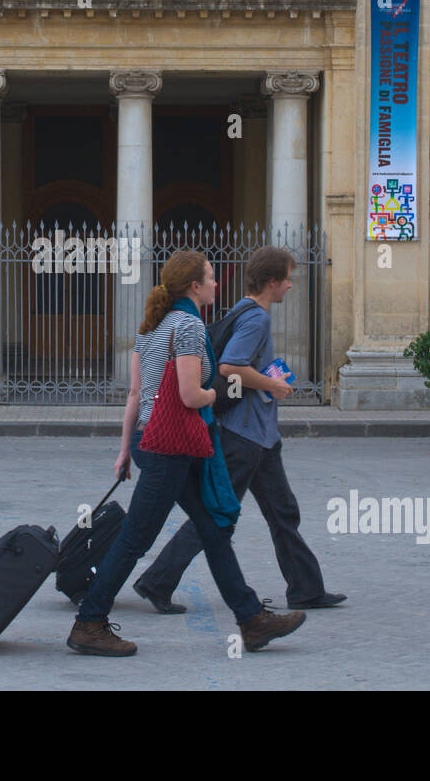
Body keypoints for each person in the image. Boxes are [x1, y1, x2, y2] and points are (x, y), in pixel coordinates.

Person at [66, 250, 307, 656]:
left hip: (150, 442)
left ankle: (251, 620)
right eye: (211, 278)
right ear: (195, 286)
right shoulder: (190, 327)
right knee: (134, 539)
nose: (216, 284)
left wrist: (126, 449)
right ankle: (89, 622)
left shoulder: (152, 326)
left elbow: (136, 395)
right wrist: (216, 394)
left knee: (212, 530)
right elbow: (190, 395)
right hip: (171, 448)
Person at [134, 246, 346, 613]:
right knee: (217, 515)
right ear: (272, 282)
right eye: (288, 279)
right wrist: (272, 384)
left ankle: (306, 589)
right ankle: (157, 581)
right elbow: (232, 366)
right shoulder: (256, 319)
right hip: (243, 436)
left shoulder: (244, 311)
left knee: (283, 512)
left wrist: (269, 375)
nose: (291, 286)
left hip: (261, 437)